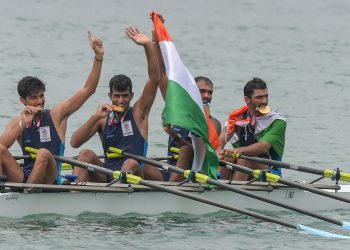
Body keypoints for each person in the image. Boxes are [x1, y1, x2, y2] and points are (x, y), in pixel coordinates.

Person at [0, 31, 104, 184]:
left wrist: (98, 57)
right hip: (25, 176)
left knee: (43, 153)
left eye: (41, 96)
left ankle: (27, 196)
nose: (39, 101)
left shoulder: (57, 115)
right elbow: (3, 146)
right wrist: (23, 124)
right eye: (33, 98)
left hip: (51, 178)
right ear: (22, 100)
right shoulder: (18, 122)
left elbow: (88, 89)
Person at [70, 26, 160, 182]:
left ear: (132, 96)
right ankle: (74, 196)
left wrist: (148, 46)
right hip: (109, 175)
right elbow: (74, 143)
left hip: (136, 174)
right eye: (116, 96)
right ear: (110, 96)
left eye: (125, 96)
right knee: (85, 154)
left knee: (130, 162)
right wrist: (94, 117)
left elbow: (154, 79)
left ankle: (118, 194)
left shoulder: (139, 113)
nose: (120, 101)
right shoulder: (103, 118)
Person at [143, 22, 221, 181]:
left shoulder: (214, 123)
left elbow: (195, 150)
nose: (206, 96)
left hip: (194, 175)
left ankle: (169, 194)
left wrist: (173, 134)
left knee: (186, 150)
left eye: (209, 93)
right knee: (140, 161)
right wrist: (155, 41)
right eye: (202, 92)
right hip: (171, 171)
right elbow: (162, 74)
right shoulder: (178, 110)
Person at [217, 78, 287, 180]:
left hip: (270, 169)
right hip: (241, 166)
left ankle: (234, 192)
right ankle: (220, 189)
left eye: (266, 96)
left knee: (244, 159)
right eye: (259, 97)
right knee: (226, 156)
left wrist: (237, 151)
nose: (264, 101)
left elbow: (264, 147)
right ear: (247, 99)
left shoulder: (277, 120)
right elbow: (220, 142)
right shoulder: (238, 117)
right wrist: (219, 153)